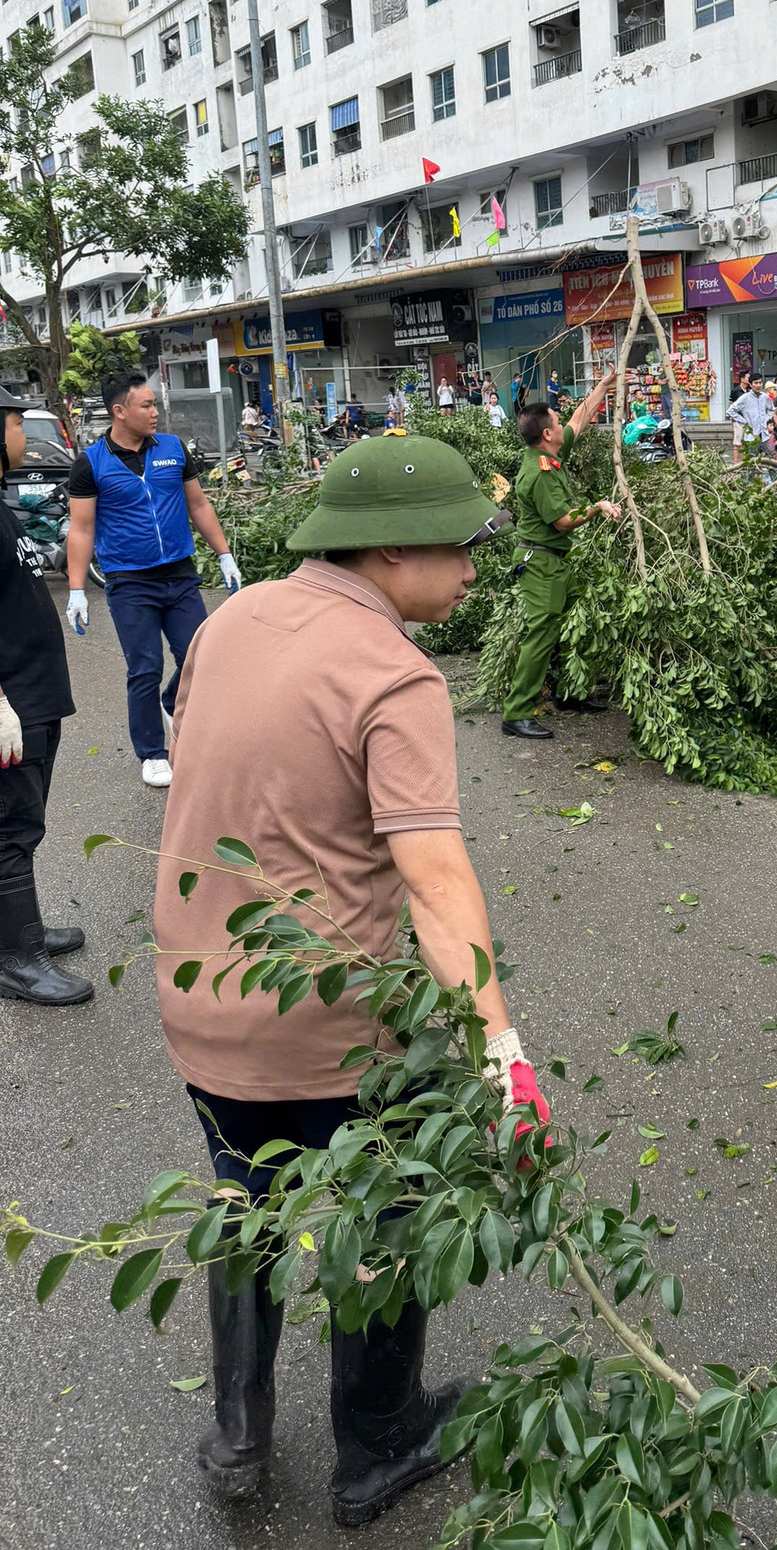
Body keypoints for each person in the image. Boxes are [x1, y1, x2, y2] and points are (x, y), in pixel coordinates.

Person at [153, 434, 544, 1525]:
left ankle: (237, 1429)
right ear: (389, 551)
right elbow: (431, 875)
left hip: (200, 994)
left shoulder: (231, 620)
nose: (474, 569)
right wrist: (501, 1052)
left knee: (247, 1197)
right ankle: (376, 1444)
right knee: (388, 1213)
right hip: (333, 1022)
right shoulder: (395, 672)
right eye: (461, 547)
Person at [65, 372, 242, 789]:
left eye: (155, 404)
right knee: (143, 667)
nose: (155, 412)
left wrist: (225, 555)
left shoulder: (173, 449)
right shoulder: (91, 463)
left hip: (180, 575)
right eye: (146, 406)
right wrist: (76, 590)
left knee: (199, 658)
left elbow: (197, 504)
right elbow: (82, 529)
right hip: (130, 581)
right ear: (119, 411)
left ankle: (173, 702)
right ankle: (152, 753)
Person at [0, 386, 91, 1006]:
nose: (20, 433)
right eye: (14, 421)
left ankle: (19, 926)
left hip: (34, 690)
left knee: (21, 821)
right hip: (11, 700)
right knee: (10, 824)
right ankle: (14, 957)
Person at [501, 369, 621, 740]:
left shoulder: (550, 450)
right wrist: (597, 507)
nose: (560, 422)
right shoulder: (538, 474)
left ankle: (570, 693)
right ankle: (517, 713)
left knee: (573, 627)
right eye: (554, 420)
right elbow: (564, 521)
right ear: (546, 435)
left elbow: (578, 420)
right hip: (540, 563)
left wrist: (602, 387)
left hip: (557, 561)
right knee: (541, 634)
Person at [728, 374, 777, 462]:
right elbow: (730, 411)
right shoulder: (745, 398)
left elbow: (772, 409)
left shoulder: (765, 397)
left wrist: (766, 419)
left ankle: (775, 476)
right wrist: (744, 422)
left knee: (771, 459)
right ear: (751, 385)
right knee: (752, 462)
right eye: (756, 383)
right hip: (751, 437)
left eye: (760, 383)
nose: (758, 385)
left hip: (764, 435)